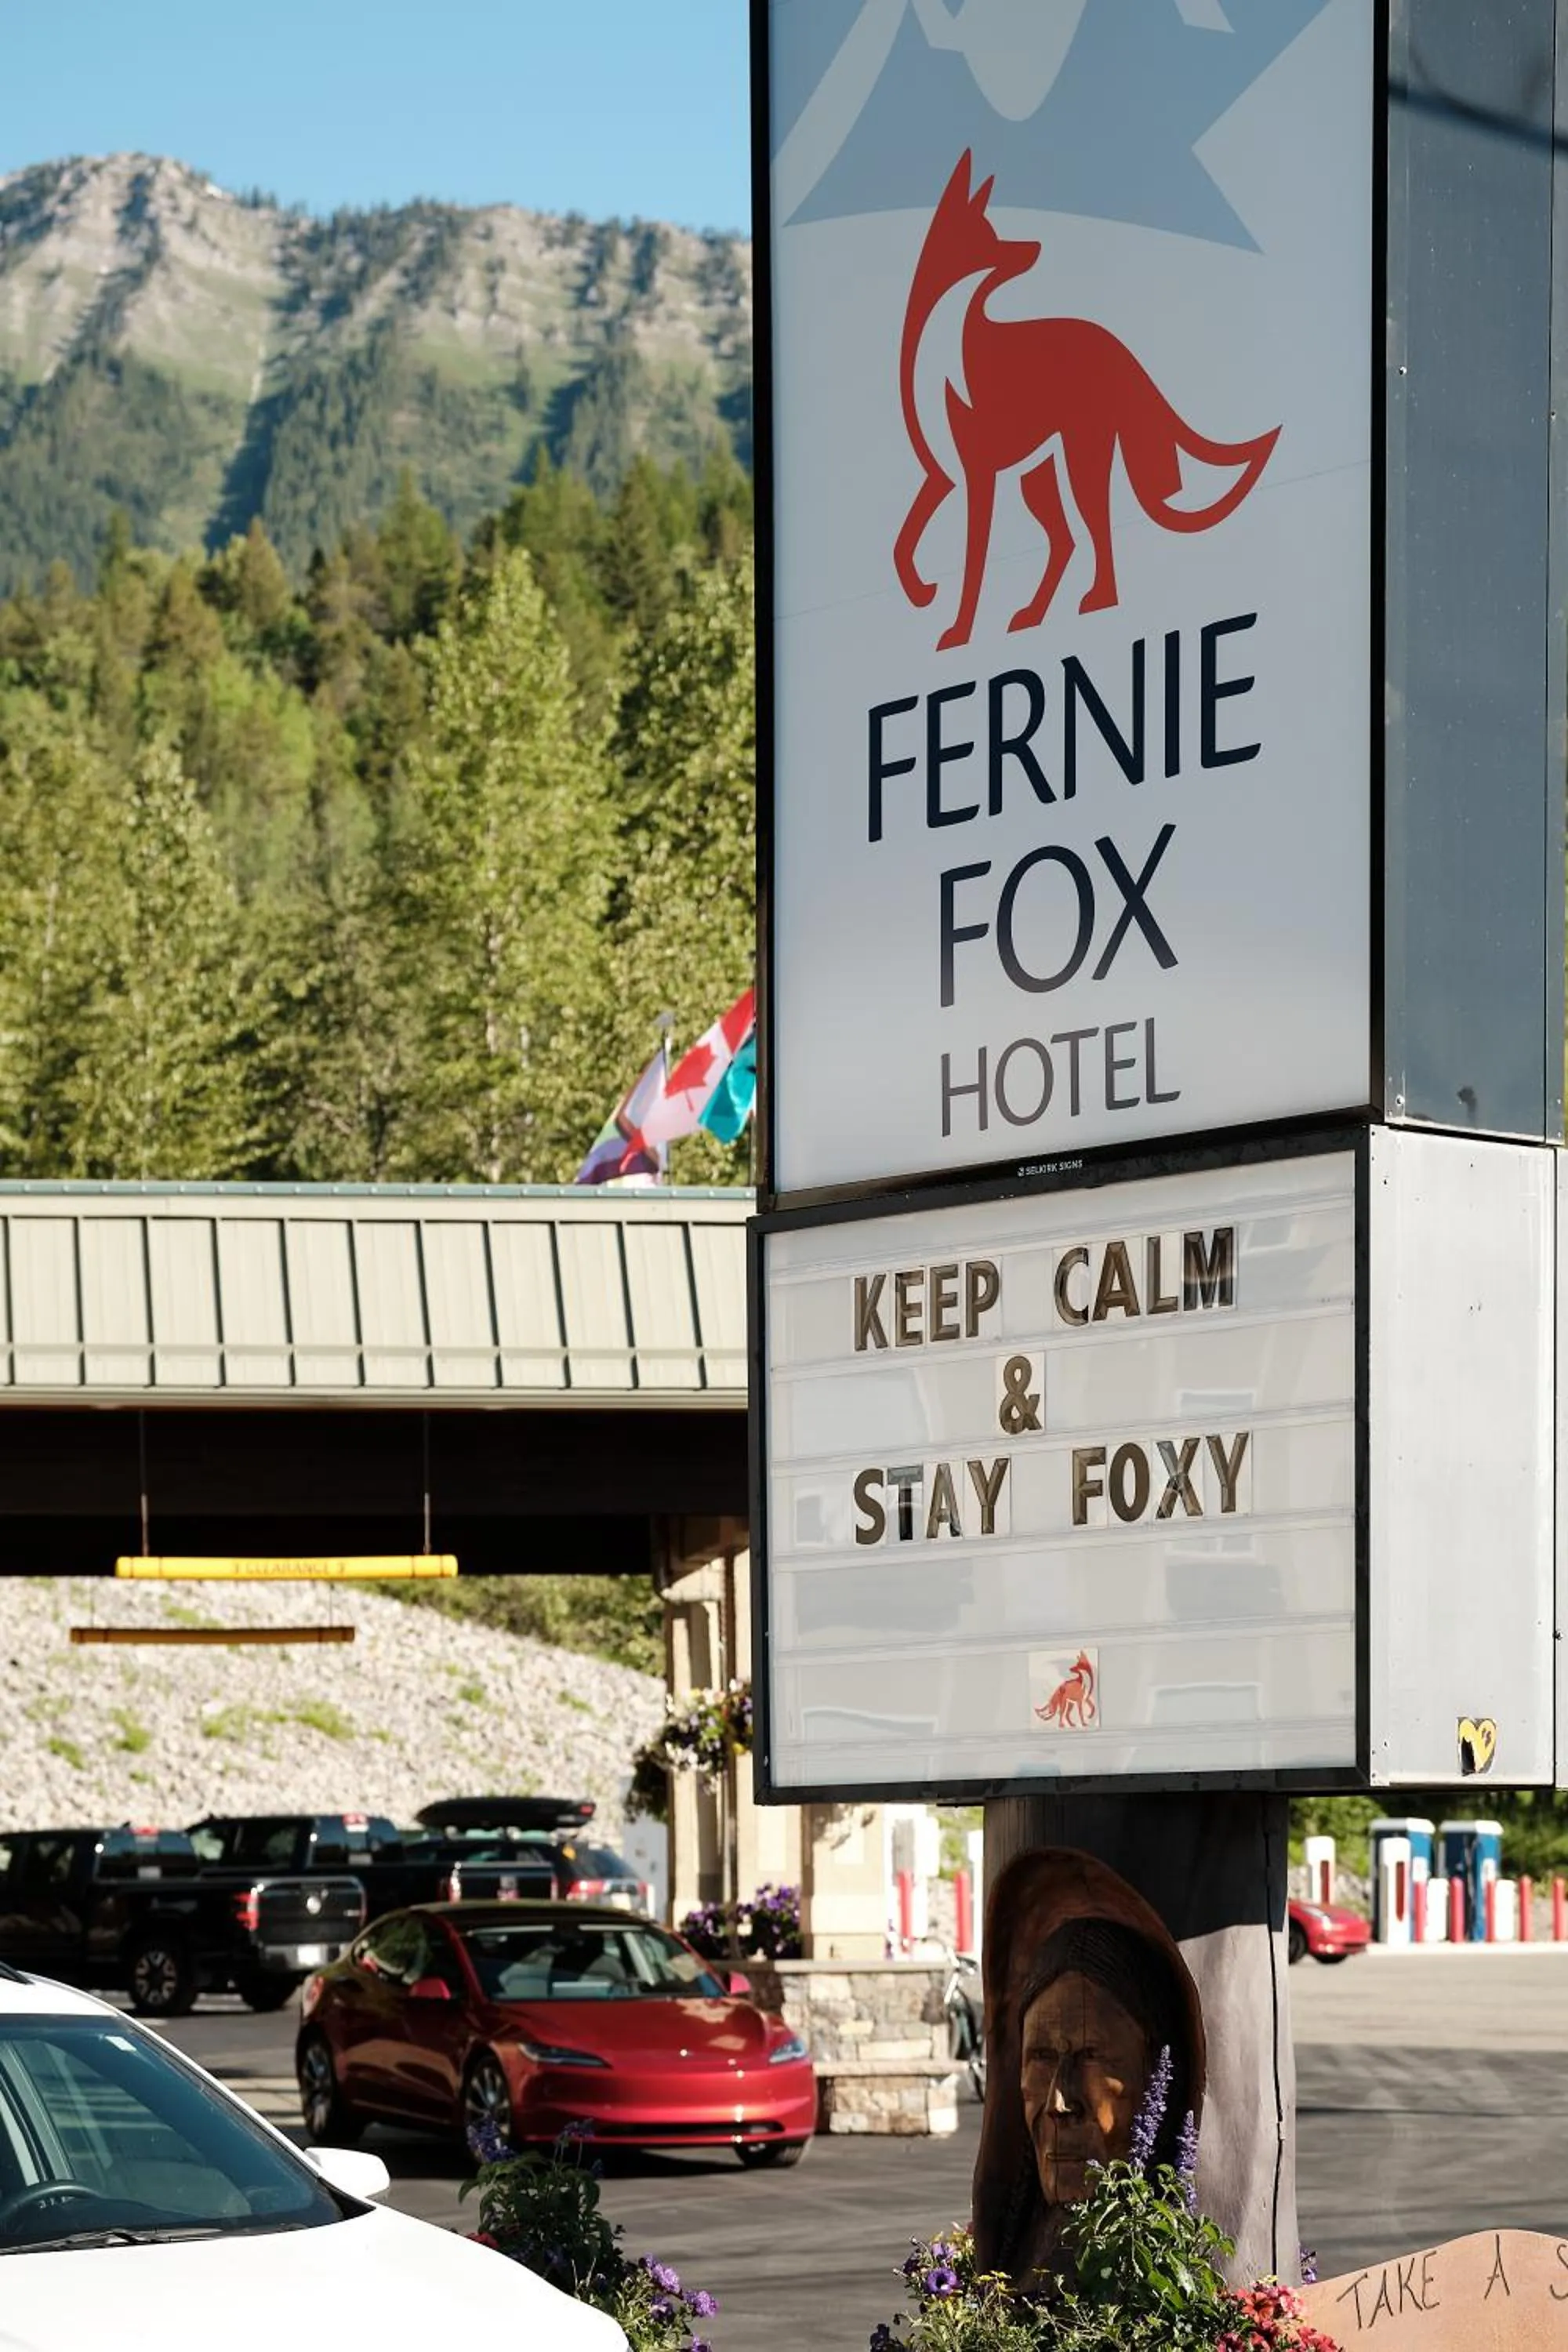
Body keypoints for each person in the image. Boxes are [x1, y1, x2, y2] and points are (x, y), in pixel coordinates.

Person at [973, 1849, 1206, 2288]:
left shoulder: (1160, 2277)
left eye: (1092, 2056)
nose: (1060, 2103)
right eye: (1041, 2058)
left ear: (1157, 2075)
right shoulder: (1018, 2260)